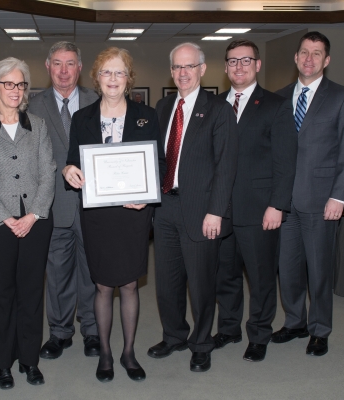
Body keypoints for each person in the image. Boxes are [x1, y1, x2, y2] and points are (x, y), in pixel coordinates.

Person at [63, 47, 165, 383]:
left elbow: (159, 164)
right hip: (97, 216)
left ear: (128, 78)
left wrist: (147, 197)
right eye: (107, 72)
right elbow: (71, 160)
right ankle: (105, 353)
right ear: (96, 77)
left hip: (133, 215)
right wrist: (69, 171)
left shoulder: (147, 116)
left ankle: (128, 352)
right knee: (104, 287)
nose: (113, 79)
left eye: (119, 73)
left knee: (131, 286)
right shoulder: (82, 118)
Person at [147, 42, 238, 372]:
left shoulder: (218, 109)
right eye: (177, 67)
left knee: (201, 283)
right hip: (165, 209)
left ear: (202, 69)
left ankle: (201, 343)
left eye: (190, 66)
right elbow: (156, 158)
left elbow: (226, 165)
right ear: (171, 72)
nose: (183, 73)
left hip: (202, 212)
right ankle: (174, 336)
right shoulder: (162, 106)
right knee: (167, 282)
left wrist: (217, 211)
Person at [0, 57, 56, 389]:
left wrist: (32, 214)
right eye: (8, 84)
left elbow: (48, 174)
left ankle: (29, 360)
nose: (15, 90)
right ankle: (4, 363)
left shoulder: (38, 125)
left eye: (20, 84)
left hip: (36, 221)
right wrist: (6, 217)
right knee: (3, 294)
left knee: (32, 292)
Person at [273, 31, 344, 356]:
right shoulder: (279, 97)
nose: (309, 59)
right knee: (288, 267)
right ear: (296, 58)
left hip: (322, 201)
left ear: (327, 60)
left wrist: (339, 197)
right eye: (304, 52)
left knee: (319, 269)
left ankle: (320, 329)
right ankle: (295, 321)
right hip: (285, 204)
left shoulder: (342, 97)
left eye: (317, 53)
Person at [214, 39, 297, 362]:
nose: (239, 67)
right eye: (233, 61)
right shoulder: (216, 105)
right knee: (226, 274)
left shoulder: (276, 106)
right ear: (225, 67)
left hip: (260, 209)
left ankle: (259, 333)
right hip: (221, 209)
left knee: (261, 277)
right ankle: (229, 328)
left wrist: (278, 205)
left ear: (258, 65)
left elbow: (285, 162)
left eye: (246, 61)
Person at [27, 42, 100, 360]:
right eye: (57, 63)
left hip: (94, 204)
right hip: (53, 205)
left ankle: (93, 331)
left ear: (79, 67)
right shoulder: (31, 106)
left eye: (70, 63)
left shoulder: (97, 101)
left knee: (93, 272)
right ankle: (59, 333)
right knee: (56, 273)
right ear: (47, 66)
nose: (64, 70)